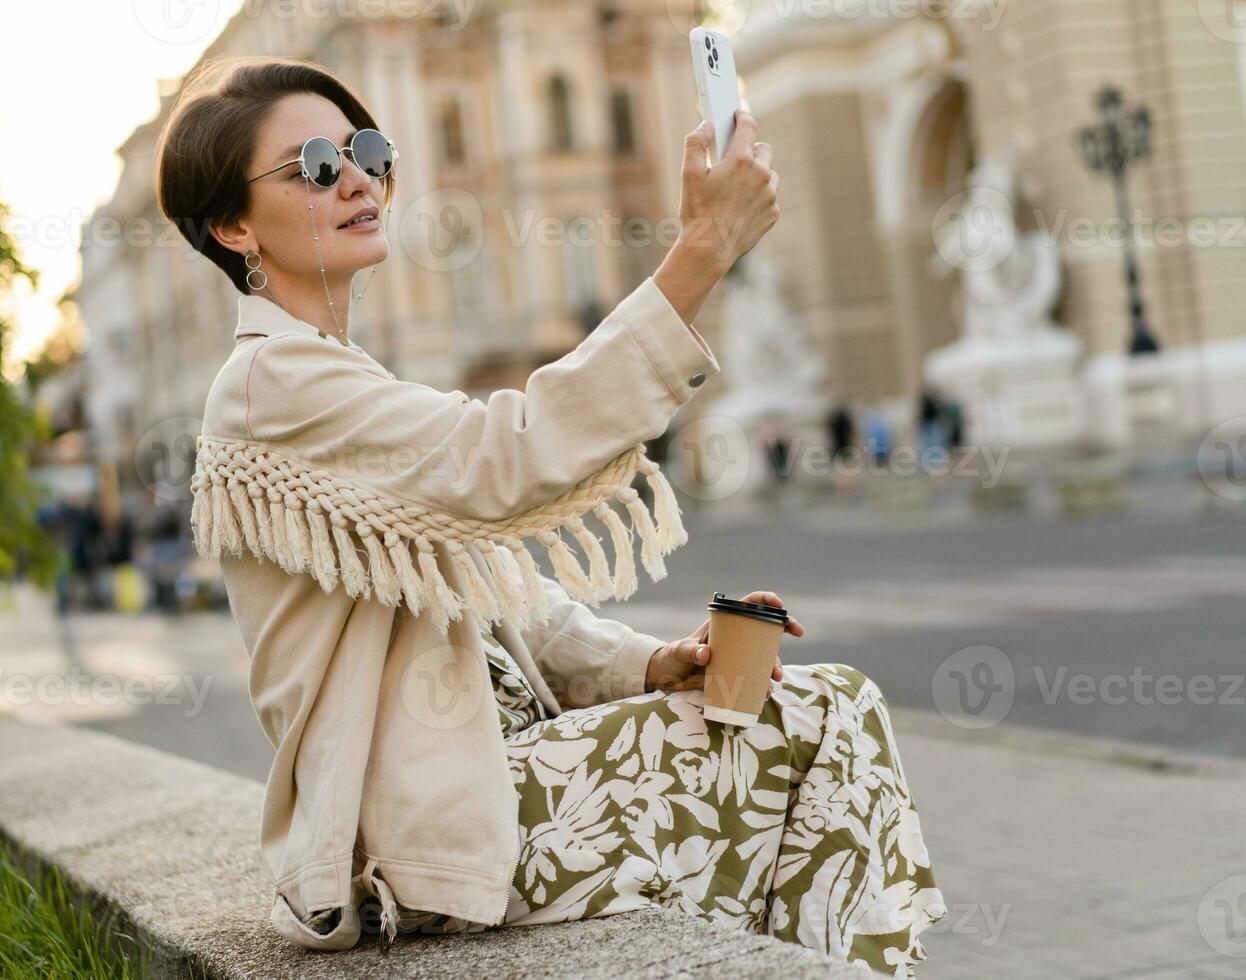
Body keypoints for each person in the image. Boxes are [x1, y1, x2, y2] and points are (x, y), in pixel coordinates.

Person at [156, 57, 945, 976]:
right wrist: (701, 252)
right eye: (316, 166)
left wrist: (651, 665)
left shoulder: (327, 372)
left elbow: (496, 598)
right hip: (419, 836)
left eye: (367, 150)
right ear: (232, 224)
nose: (358, 177)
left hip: (492, 783)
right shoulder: (269, 382)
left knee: (789, 730)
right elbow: (508, 457)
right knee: (831, 715)